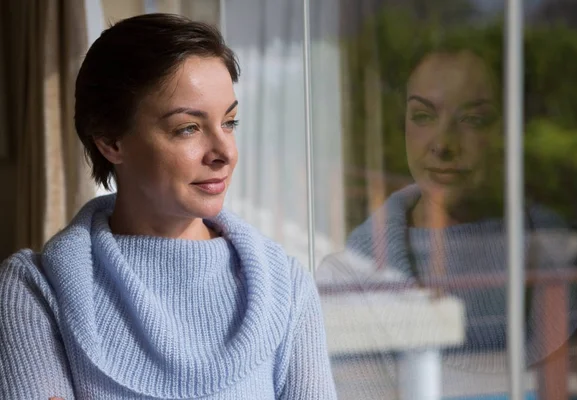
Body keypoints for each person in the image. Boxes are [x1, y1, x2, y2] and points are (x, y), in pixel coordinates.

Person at [0, 14, 336, 400]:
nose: (225, 152)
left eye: (230, 122)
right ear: (111, 141)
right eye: (188, 128)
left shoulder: (286, 288)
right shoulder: (35, 290)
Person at [317, 44, 577, 398]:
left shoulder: (566, 257)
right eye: (422, 116)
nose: (444, 144)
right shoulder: (347, 282)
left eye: (473, 119)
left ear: (507, 133)